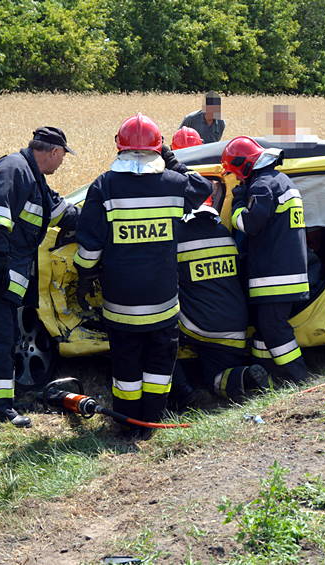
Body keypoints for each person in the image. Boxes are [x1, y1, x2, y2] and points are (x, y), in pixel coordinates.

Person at [72, 113, 212, 437]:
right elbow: (203, 187)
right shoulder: (176, 185)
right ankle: (150, 424)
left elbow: (89, 248)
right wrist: (173, 161)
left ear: (119, 147)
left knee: (126, 369)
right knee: (159, 368)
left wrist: (84, 278)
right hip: (163, 302)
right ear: (159, 148)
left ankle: (126, 424)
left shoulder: (104, 186)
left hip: (120, 304)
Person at [0, 127, 80, 427]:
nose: (61, 164)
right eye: (62, 158)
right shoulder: (12, 168)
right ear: (54, 152)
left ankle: (2, 400)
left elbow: (60, 211)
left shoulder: (32, 176)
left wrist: (92, 222)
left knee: (2, 337)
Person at [223, 136, 310, 383]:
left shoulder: (262, 186)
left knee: (274, 329)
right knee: (264, 329)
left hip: (275, 277)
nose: (238, 179)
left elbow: (249, 225)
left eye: (236, 174)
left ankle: (298, 378)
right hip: (288, 272)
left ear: (244, 166)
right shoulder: (281, 181)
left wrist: (238, 201)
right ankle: (267, 376)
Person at [174, 190, 272, 403]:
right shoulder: (220, 230)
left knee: (214, 380)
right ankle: (250, 375)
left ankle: (245, 379)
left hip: (203, 325)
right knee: (225, 364)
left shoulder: (176, 234)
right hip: (236, 318)